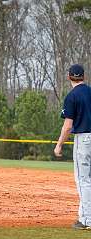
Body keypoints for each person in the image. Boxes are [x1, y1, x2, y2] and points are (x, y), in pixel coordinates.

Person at [54, 64, 91, 230]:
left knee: (83, 180)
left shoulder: (72, 96)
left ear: (69, 77)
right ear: (83, 76)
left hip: (84, 138)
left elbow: (68, 125)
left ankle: (86, 221)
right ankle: (83, 217)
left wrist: (59, 145)